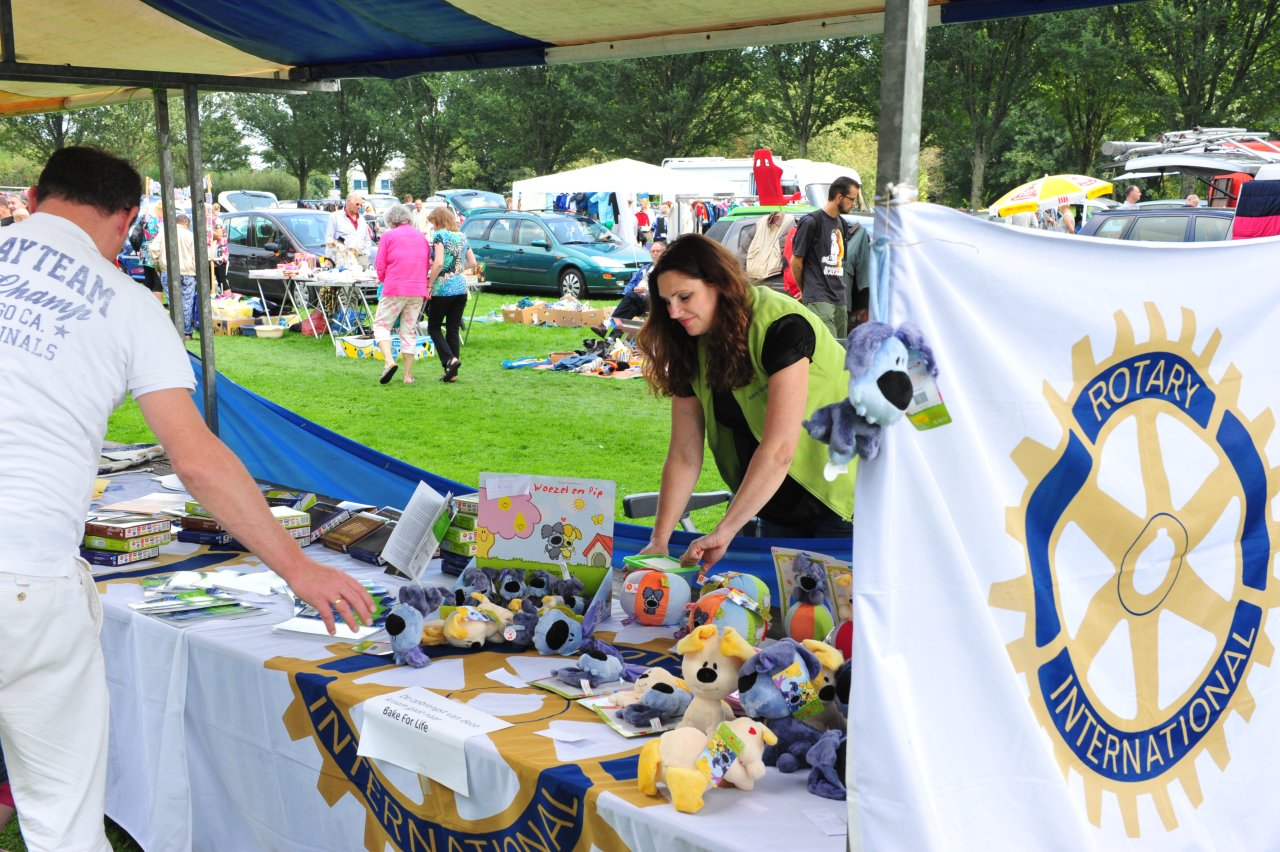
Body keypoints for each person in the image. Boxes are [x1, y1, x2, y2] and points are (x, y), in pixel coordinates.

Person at [0, 146, 373, 852]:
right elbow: (197, 460)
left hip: (28, 570)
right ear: (126, 221)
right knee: (62, 818)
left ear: (38, 198)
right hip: (25, 577)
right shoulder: (127, 303)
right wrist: (299, 568)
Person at [636, 234, 855, 569]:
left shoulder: (781, 324)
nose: (674, 312)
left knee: (833, 601)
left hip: (841, 497)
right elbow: (683, 455)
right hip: (773, 501)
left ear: (719, 284)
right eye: (666, 302)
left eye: (684, 296)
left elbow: (780, 449)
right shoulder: (689, 343)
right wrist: (658, 541)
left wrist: (724, 531)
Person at [790, 175, 860, 340]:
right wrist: (805, 290)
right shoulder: (811, 222)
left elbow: (840, 263)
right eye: (852, 199)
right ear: (839, 197)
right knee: (828, 348)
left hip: (840, 299)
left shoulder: (842, 224)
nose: (853, 204)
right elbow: (796, 262)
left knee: (840, 348)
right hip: (819, 299)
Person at [372, 204, 430, 385]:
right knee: (409, 331)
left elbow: (380, 263)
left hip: (395, 287)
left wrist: (382, 279)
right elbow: (426, 264)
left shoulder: (388, 236)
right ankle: (407, 376)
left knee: (381, 325)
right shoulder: (421, 237)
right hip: (417, 289)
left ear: (391, 220)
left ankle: (389, 361)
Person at [427, 206, 475, 383]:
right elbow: (472, 261)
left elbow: (439, 262)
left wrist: (430, 284)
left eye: (433, 223)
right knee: (453, 329)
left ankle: (450, 360)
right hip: (461, 287)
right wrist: (457, 270)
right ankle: (452, 373)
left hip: (443, 287)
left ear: (438, 221)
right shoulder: (461, 236)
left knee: (434, 326)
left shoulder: (440, 235)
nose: (433, 227)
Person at [593, 240, 666, 337]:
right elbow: (629, 286)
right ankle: (611, 339)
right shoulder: (645, 268)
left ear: (664, 253)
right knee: (631, 308)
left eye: (658, 251)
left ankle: (606, 324)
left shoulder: (666, 270)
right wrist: (634, 289)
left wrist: (646, 291)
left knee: (631, 297)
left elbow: (664, 291)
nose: (655, 253)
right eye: (653, 251)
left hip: (653, 302)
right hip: (637, 300)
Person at [149, 211, 200, 338]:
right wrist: (194, 270)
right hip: (188, 272)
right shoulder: (190, 235)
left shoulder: (164, 233)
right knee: (187, 302)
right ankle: (187, 332)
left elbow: (152, 249)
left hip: (168, 271)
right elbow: (196, 256)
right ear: (186, 223)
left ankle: (177, 330)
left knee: (173, 302)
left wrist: (158, 266)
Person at [324, 191, 373, 267]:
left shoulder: (362, 219)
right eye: (357, 204)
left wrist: (364, 252)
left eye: (361, 205)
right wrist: (336, 253)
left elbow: (367, 240)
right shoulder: (335, 217)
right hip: (342, 258)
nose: (359, 207)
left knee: (364, 271)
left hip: (360, 257)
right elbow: (329, 239)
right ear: (348, 202)